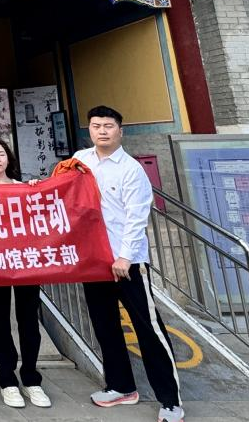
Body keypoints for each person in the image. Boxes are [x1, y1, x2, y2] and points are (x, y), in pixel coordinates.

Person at [77, 106, 183, 422]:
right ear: (89, 130)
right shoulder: (81, 161)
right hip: (94, 261)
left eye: (108, 126)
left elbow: (137, 217)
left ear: (120, 131)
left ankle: (171, 401)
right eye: (96, 126)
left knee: (148, 329)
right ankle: (121, 386)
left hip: (127, 263)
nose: (102, 131)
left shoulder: (131, 169)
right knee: (105, 326)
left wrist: (124, 256)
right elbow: (60, 192)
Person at [0, 138, 51, 409]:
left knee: (29, 320)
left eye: (2, 154)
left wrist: (36, 191)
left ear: (9, 159)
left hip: (25, 262)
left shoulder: (23, 187)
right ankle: (7, 379)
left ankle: (31, 378)